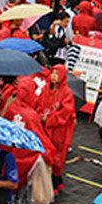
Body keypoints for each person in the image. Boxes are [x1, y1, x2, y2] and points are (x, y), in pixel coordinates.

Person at [35, 65, 76, 193]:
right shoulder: (45, 90)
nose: (53, 76)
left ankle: (56, 181)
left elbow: (66, 112)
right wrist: (41, 116)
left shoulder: (66, 93)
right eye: (52, 73)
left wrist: (49, 118)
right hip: (44, 128)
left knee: (57, 156)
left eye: (57, 74)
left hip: (59, 130)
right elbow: (38, 105)